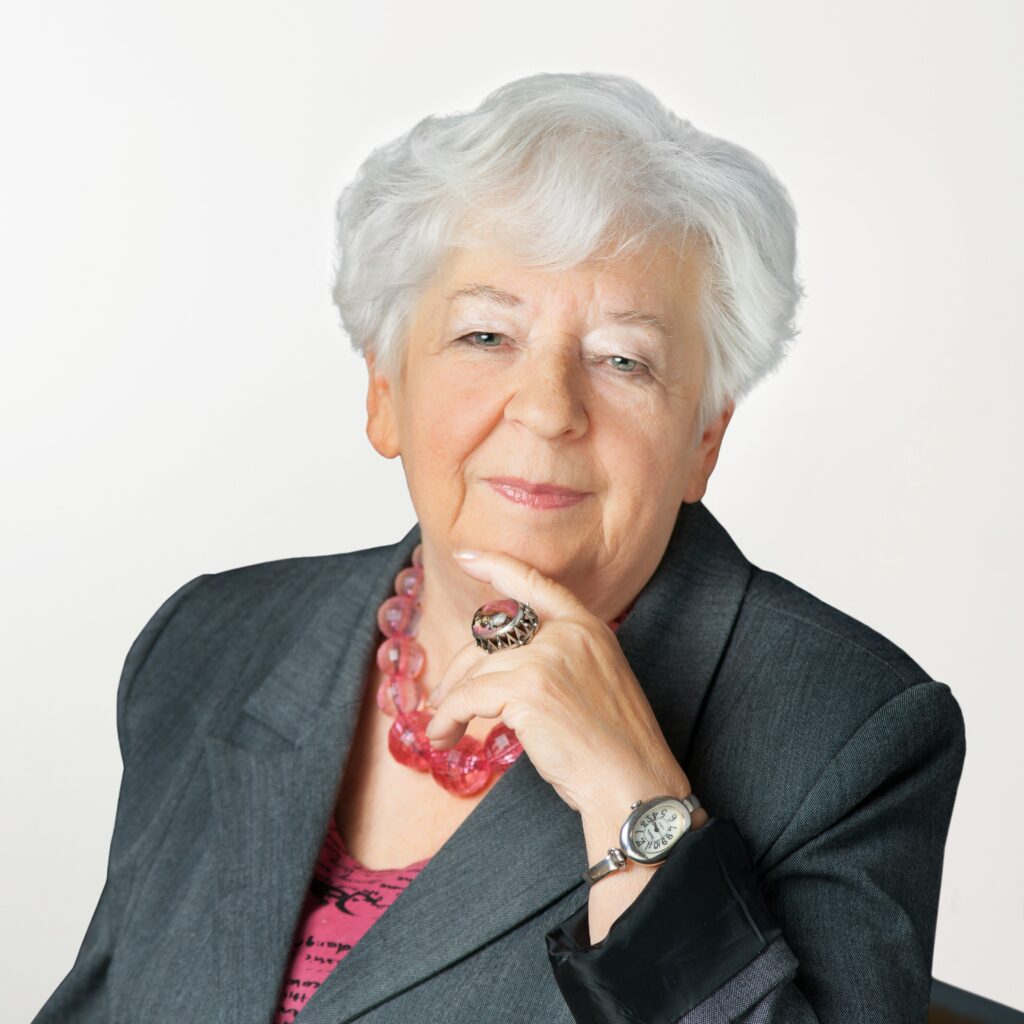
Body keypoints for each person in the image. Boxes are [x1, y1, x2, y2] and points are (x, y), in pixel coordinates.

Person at [33, 72, 965, 1024]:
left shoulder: (849, 730)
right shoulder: (206, 644)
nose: (549, 407)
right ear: (384, 394)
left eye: (623, 359)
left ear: (704, 438)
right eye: (486, 335)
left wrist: (632, 799)